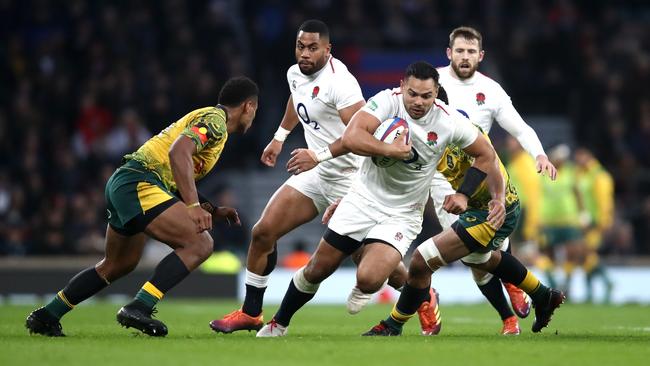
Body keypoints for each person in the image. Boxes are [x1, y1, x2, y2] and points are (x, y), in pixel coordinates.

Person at [255, 61, 502, 337]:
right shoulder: (386, 101)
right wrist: (390, 150)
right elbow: (352, 136)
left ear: (436, 93)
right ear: (401, 88)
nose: (418, 102)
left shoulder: (449, 120)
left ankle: (406, 292)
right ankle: (279, 323)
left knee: (370, 279)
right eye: (412, 94)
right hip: (362, 198)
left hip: (403, 212)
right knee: (317, 268)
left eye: (426, 96)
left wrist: (464, 194)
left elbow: (486, 154)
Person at [25, 76, 259, 337]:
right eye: (254, 111)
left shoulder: (209, 122)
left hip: (127, 183)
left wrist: (211, 209)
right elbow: (178, 152)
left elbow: (178, 175)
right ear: (248, 106)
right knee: (200, 244)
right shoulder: (216, 122)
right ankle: (140, 306)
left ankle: (47, 315)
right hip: (140, 182)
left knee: (117, 264)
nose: (253, 118)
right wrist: (193, 206)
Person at [209, 20, 368, 334]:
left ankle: (421, 295)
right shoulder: (296, 73)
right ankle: (250, 313)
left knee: (372, 267)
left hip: (353, 179)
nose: (305, 54)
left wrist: (317, 155)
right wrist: (280, 137)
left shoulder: (342, 84)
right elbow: (297, 99)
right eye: (300, 47)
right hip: (318, 174)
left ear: (328, 50)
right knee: (263, 232)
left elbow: (362, 133)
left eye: (312, 48)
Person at [430, 26, 558, 334]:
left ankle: (514, 287)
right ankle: (509, 315)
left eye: (470, 52)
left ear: (480, 56)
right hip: (443, 179)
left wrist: (539, 154)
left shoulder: (491, 90)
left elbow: (521, 128)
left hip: (482, 177)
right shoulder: (431, 81)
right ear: (449, 53)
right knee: (472, 254)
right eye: (459, 51)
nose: (464, 57)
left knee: (486, 250)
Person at [539, 145, 586, 296]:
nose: (562, 160)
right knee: (548, 254)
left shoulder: (571, 172)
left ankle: (567, 284)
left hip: (569, 220)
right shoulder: (542, 172)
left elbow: (578, 193)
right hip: (548, 221)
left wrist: (583, 214)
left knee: (573, 252)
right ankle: (553, 285)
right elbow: (537, 196)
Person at [574, 147, 614, 303]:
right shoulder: (581, 174)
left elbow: (605, 202)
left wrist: (603, 223)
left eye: (580, 156)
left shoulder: (600, 176)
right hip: (585, 222)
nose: (578, 160)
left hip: (596, 223)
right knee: (587, 256)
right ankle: (592, 291)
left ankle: (606, 282)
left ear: (588, 156)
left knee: (587, 253)